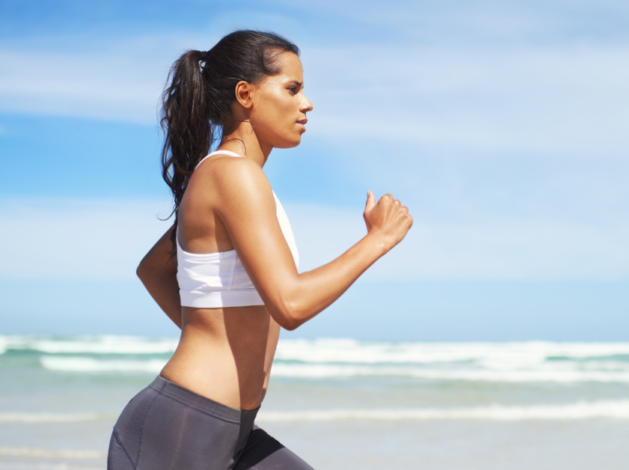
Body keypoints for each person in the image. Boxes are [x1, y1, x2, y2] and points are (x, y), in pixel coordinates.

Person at [107, 30, 413, 470]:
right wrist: (376, 240)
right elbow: (290, 304)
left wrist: (219, 332)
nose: (307, 104)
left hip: (231, 429)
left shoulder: (229, 178)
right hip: (182, 429)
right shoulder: (234, 176)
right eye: (292, 88)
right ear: (245, 94)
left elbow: (154, 268)